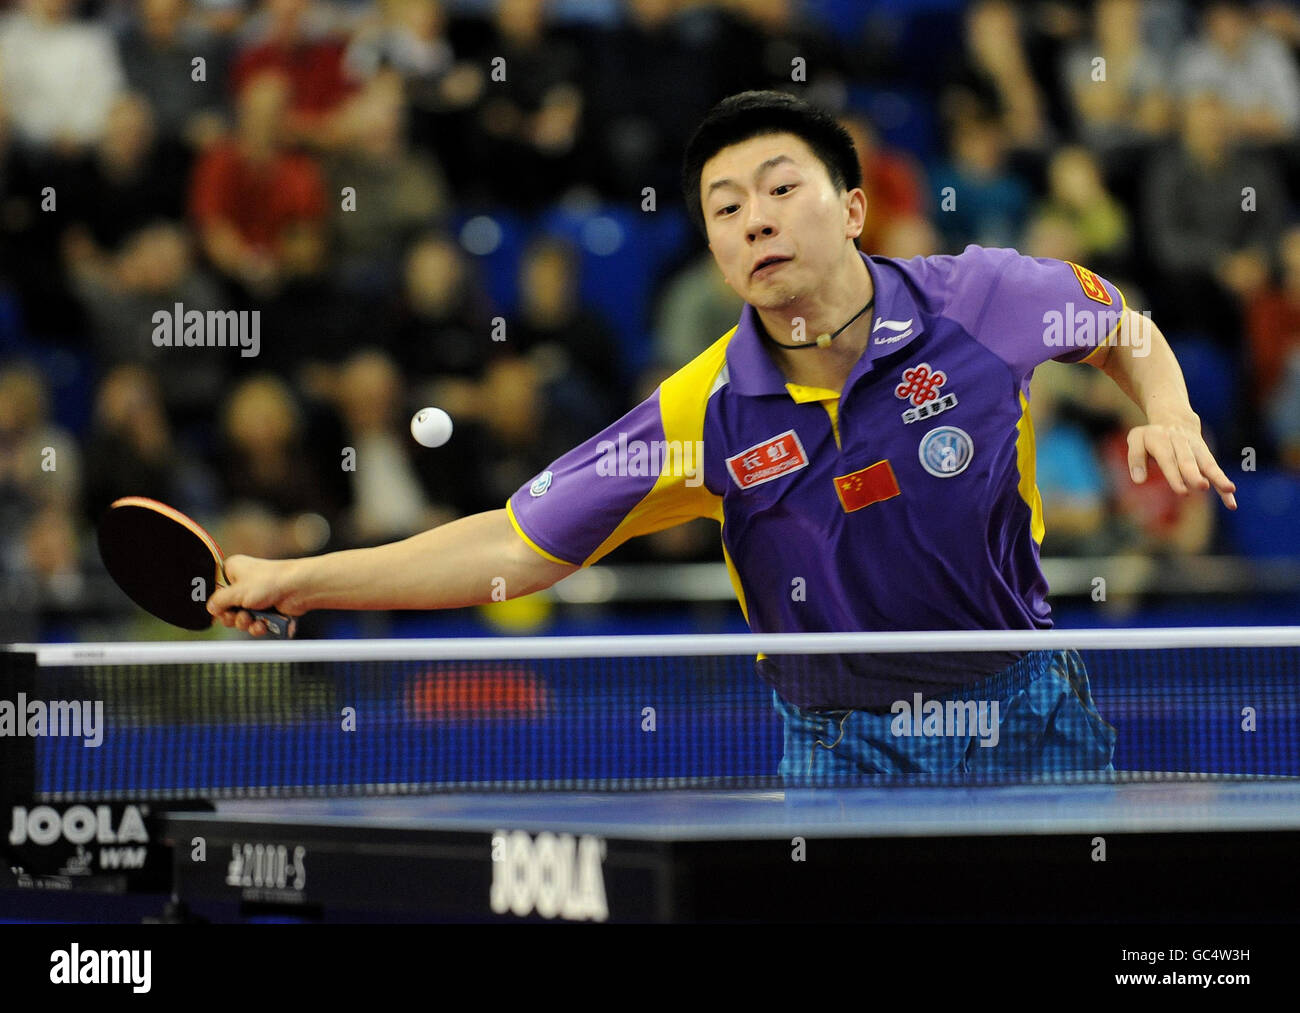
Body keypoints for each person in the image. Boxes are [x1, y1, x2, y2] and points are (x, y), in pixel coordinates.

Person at [208, 91, 1237, 780]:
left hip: (1026, 713)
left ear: (852, 205)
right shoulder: (701, 410)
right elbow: (508, 550)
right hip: (843, 751)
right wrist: (302, 579)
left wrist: (1172, 412)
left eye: (782, 189)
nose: (755, 220)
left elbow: (1117, 326)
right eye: (724, 207)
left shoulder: (979, 298)